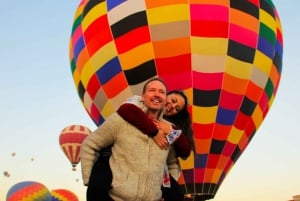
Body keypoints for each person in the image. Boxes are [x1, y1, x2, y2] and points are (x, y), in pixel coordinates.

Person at [87, 90, 194, 201]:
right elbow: (126, 110)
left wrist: (171, 131)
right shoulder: (139, 102)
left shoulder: (169, 127)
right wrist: (155, 131)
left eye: (177, 109)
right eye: (172, 100)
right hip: (118, 155)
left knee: (176, 195)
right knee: (98, 188)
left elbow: (185, 151)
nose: (172, 106)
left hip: (152, 165)